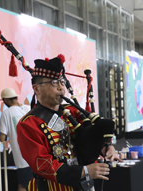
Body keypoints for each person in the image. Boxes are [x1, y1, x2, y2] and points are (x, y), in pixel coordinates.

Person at [16, 55, 121, 191]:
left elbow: (87, 140)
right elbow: (42, 164)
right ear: (36, 89)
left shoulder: (73, 112)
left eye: (61, 82)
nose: (61, 87)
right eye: (54, 82)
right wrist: (84, 171)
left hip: (83, 185)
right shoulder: (28, 124)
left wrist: (105, 147)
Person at [0, 88, 32, 191]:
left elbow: (2, 138)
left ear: (6, 100)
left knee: (22, 186)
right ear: (16, 98)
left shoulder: (6, 113)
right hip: (35, 154)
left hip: (22, 158)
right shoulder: (28, 109)